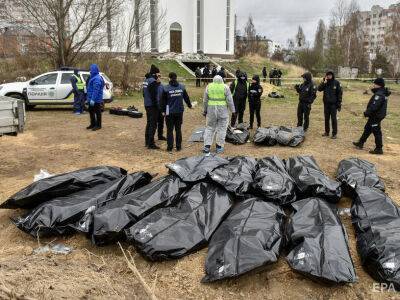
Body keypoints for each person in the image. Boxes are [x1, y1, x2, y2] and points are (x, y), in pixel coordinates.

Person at [353, 78, 390, 155]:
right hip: (375, 115)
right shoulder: (381, 92)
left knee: (376, 132)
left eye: (375, 84)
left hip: (376, 116)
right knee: (367, 129)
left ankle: (379, 149)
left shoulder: (379, 94)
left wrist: (366, 113)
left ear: (378, 85)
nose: (373, 85)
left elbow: (374, 106)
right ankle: (360, 143)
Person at [203, 75, 236, 155]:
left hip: (211, 110)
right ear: (222, 80)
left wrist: (205, 110)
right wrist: (233, 111)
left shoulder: (209, 86)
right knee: (222, 129)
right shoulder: (225, 87)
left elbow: (205, 100)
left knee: (210, 128)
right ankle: (219, 147)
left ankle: (207, 147)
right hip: (222, 111)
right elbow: (230, 100)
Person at [160, 72, 192, 153]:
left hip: (169, 112)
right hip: (179, 112)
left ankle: (170, 147)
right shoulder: (182, 87)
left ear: (169, 78)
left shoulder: (166, 88)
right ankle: (178, 146)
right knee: (178, 129)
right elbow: (186, 97)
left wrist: (163, 111)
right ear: (176, 78)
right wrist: (189, 105)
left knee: (170, 130)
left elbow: (162, 101)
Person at [318, 70, 343, 139]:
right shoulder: (325, 82)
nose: (329, 76)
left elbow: (339, 94)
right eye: (328, 75)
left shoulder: (336, 83)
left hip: (333, 105)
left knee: (333, 119)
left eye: (330, 75)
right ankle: (327, 132)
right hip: (326, 104)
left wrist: (339, 104)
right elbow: (319, 89)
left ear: (332, 75)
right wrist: (323, 82)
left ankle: (334, 134)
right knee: (326, 118)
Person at [143, 65, 161, 149]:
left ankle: (147, 141)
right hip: (152, 106)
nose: (159, 75)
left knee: (149, 123)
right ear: (155, 73)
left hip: (147, 104)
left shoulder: (146, 80)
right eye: (158, 74)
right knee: (153, 125)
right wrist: (157, 106)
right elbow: (154, 95)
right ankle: (151, 143)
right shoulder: (153, 81)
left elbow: (143, 94)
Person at [86, 64, 104, 131]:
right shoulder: (92, 77)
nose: (90, 71)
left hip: (96, 99)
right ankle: (93, 124)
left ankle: (98, 125)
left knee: (97, 112)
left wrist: (93, 99)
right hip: (91, 98)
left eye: (91, 69)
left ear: (94, 70)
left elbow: (96, 90)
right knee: (91, 111)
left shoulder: (97, 78)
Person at [156, 75, 167, 141]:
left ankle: (160, 136)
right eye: (157, 77)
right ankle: (150, 138)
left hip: (161, 107)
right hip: (154, 107)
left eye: (160, 77)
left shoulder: (162, 86)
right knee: (154, 123)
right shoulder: (153, 86)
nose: (159, 78)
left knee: (161, 122)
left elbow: (165, 97)